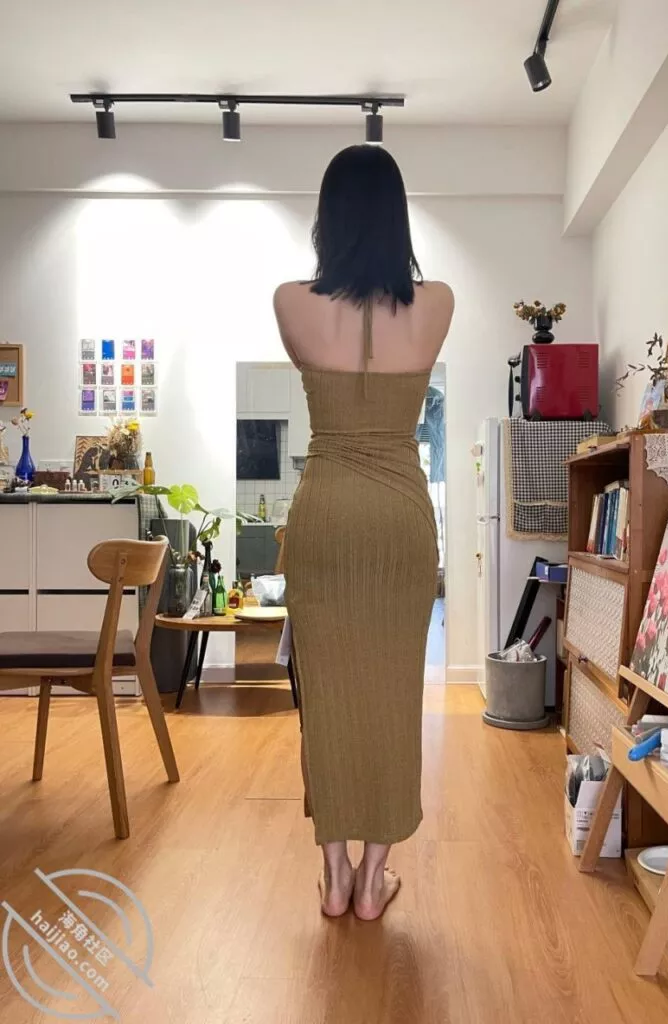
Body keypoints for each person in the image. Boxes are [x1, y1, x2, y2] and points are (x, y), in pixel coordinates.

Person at [273, 145, 454, 921]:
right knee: (392, 695)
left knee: (327, 698)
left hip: (325, 514)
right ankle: (376, 879)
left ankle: (335, 872)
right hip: (400, 519)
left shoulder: (290, 301)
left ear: (329, 216)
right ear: (396, 215)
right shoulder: (438, 302)